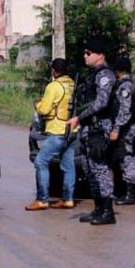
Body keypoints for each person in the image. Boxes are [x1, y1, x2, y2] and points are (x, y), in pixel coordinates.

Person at [67, 39, 118, 226]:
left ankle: (108, 211)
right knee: (89, 169)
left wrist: (79, 118)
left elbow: (102, 102)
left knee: (100, 169)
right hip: (90, 128)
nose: (85, 56)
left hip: (100, 127)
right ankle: (98, 208)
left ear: (100, 55)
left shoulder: (105, 75)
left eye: (89, 53)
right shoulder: (92, 75)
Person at [26, 58, 77, 211]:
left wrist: (38, 104)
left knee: (41, 162)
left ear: (54, 71)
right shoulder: (72, 84)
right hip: (71, 131)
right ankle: (68, 199)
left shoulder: (53, 86)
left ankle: (42, 200)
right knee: (68, 166)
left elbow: (45, 109)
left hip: (57, 131)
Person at [110, 56, 135, 206]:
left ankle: (130, 194)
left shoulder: (125, 87)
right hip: (129, 126)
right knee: (123, 156)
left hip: (127, 127)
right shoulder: (134, 84)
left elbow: (125, 110)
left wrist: (117, 128)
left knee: (127, 158)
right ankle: (124, 191)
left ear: (118, 70)